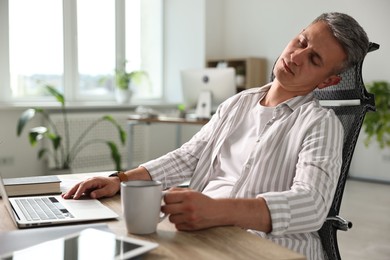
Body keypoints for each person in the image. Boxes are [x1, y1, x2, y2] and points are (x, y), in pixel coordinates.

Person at [62, 12, 369, 260]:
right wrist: (122, 179)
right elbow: (189, 156)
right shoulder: (238, 103)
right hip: (202, 233)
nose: (297, 56)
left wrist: (217, 211)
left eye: (314, 59)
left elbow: (312, 205)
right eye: (301, 41)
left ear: (328, 81)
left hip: (264, 246)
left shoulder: (321, 123)